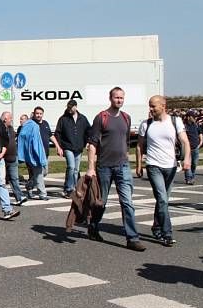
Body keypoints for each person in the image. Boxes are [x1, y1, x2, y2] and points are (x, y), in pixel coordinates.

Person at [86, 87, 146, 251]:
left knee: (127, 202)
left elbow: (125, 142)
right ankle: (93, 226)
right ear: (110, 98)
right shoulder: (101, 118)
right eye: (116, 97)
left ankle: (132, 238)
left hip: (123, 166)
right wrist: (91, 168)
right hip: (104, 166)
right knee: (101, 203)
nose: (119, 100)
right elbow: (92, 144)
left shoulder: (126, 118)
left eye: (121, 98)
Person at [136, 96, 191, 246]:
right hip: (153, 165)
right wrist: (139, 165)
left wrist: (187, 159)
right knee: (162, 199)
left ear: (163, 106)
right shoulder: (146, 124)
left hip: (171, 166)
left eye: (153, 106)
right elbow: (140, 146)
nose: (151, 109)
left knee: (163, 201)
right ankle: (167, 233)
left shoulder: (175, 121)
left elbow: (185, 141)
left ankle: (156, 226)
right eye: (150, 106)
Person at [54, 99, 91, 197]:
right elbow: (58, 133)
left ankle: (76, 188)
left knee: (76, 170)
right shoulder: (63, 119)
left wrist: (88, 142)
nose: (69, 109)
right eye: (68, 107)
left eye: (71, 107)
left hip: (78, 147)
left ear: (76, 107)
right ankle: (69, 188)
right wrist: (59, 147)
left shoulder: (82, 118)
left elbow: (88, 131)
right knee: (71, 167)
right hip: (67, 146)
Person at [18, 110, 49, 201]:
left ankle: (29, 185)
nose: (39, 115)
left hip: (44, 152)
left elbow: (50, 135)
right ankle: (42, 194)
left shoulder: (44, 123)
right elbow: (23, 137)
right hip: (35, 154)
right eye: (37, 113)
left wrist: (57, 145)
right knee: (39, 172)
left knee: (44, 172)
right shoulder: (31, 125)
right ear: (33, 114)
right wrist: (30, 152)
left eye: (40, 114)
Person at [1, 112, 27, 205]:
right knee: (0, 180)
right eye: (10, 118)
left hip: (13, 156)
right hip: (2, 158)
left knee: (14, 178)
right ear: (5, 119)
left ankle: (19, 197)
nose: (11, 120)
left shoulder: (11, 128)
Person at [183, 110, 203, 185]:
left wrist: (200, 142)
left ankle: (192, 176)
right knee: (188, 163)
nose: (194, 118)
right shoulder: (184, 126)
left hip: (195, 147)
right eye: (193, 116)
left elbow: (200, 133)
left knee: (194, 163)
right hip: (187, 148)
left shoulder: (196, 125)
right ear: (188, 117)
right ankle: (189, 178)